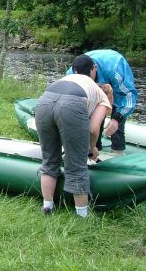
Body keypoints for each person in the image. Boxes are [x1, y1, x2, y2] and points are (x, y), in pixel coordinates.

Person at [36, 55, 111, 218]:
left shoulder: (67, 78)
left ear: (75, 69)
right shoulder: (101, 94)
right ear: (94, 69)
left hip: (44, 102)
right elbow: (92, 129)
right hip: (72, 105)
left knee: (49, 159)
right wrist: (91, 148)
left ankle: (47, 207)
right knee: (76, 164)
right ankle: (82, 215)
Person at [68, 49, 137, 154]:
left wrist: (117, 118)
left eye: (89, 79)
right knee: (93, 115)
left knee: (117, 122)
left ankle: (117, 151)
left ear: (94, 69)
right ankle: (96, 148)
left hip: (113, 68)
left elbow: (128, 95)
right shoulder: (71, 74)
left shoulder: (115, 69)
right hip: (95, 83)